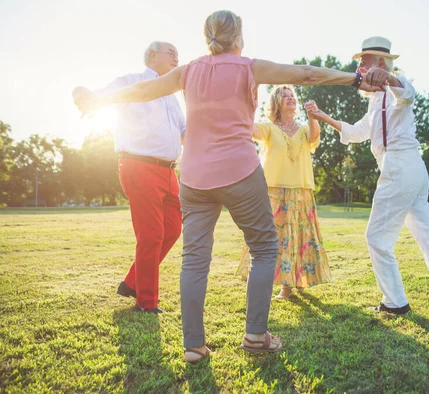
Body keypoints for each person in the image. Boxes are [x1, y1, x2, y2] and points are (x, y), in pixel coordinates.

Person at [73, 10, 384, 364]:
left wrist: (98, 100)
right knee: (266, 247)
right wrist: (356, 79)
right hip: (238, 171)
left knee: (194, 258)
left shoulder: (188, 70)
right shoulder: (248, 66)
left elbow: (144, 90)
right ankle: (254, 335)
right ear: (238, 38)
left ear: (208, 38)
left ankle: (193, 346)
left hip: (193, 178)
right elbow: (307, 74)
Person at [305, 36, 429, 319]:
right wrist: (323, 116)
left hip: (400, 166)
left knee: (376, 237)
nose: (359, 65)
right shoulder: (375, 100)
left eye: (364, 60)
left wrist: (388, 77)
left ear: (380, 62)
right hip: (410, 169)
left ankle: (395, 302)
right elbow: (359, 131)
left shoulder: (397, 86)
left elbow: (408, 93)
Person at [72, 41, 185, 314]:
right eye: (168, 52)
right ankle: (146, 302)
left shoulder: (172, 95)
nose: (175, 56)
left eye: (177, 53)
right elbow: (103, 94)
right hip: (139, 165)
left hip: (169, 170)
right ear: (150, 56)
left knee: (173, 228)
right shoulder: (132, 82)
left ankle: (132, 281)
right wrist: (85, 96)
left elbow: (184, 132)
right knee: (152, 234)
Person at [236, 86, 331, 300]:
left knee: (299, 237)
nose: (291, 99)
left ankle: (298, 281)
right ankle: (284, 285)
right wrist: (246, 101)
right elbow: (249, 128)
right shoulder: (270, 129)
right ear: (277, 103)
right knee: (277, 239)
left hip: (301, 190)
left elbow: (314, 136)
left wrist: (313, 116)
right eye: (285, 96)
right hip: (274, 191)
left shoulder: (305, 129)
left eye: (293, 97)